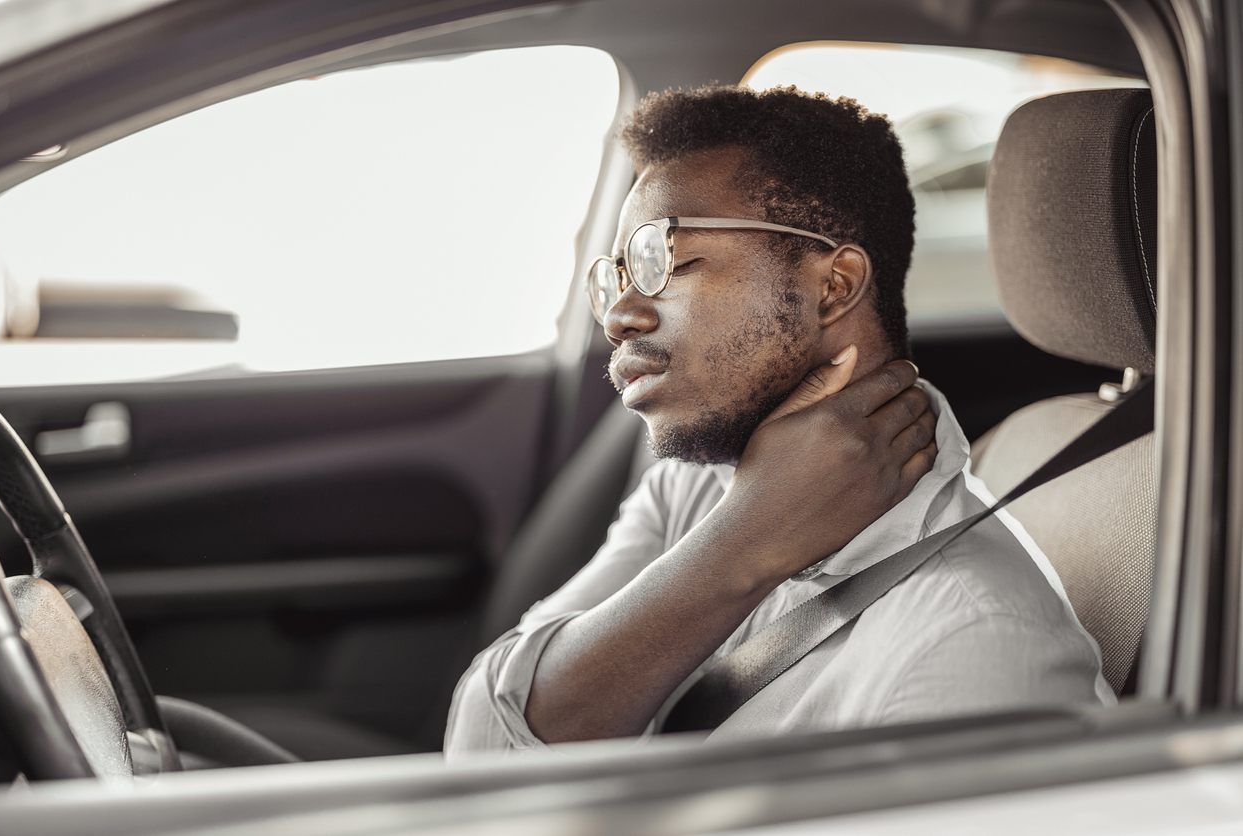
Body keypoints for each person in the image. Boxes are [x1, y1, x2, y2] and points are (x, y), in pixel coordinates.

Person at [444, 85, 1111, 757]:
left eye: (663, 263)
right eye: (616, 276)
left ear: (835, 283)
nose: (619, 316)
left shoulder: (973, 645)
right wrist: (747, 538)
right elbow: (483, 738)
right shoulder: (694, 488)